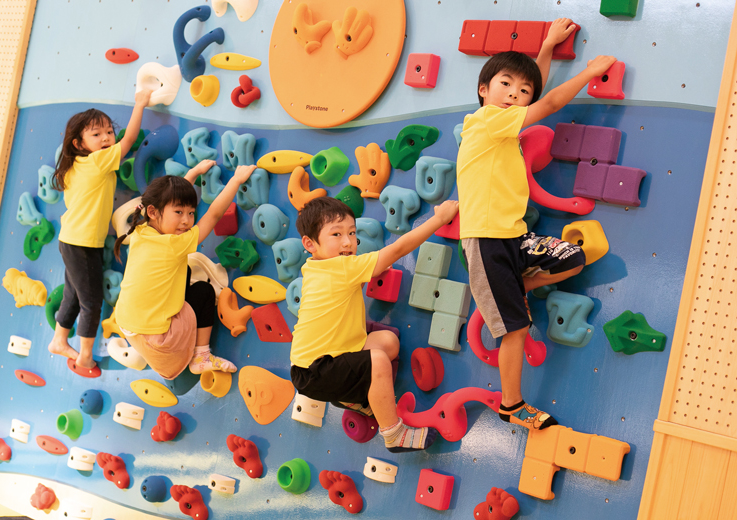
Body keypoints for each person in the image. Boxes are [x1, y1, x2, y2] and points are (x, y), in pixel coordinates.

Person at [456, 18, 617, 430]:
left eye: (522, 90)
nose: (515, 93)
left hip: (514, 236)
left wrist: (547, 47)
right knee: (516, 329)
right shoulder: (486, 121)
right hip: (486, 241)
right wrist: (589, 72)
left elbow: (536, 93)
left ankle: (520, 287)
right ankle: (512, 405)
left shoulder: (505, 126)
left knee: (573, 258)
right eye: (505, 84)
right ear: (483, 90)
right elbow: (546, 104)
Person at [290, 196, 459, 452]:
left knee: (387, 343)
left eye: (352, 232)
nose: (348, 242)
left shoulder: (316, 267)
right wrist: (439, 219)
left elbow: (350, 284)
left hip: (320, 361)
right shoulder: (342, 267)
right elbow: (397, 250)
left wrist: (373, 267)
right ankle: (394, 434)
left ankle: (354, 398)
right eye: (336, 234)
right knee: (378, 360)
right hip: (315, 371)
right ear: (309, 243)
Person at [113, 162, 257, 380]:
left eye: (191, 213)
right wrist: (236, 180)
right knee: (203, 292)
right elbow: (214, 215)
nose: (187, 221)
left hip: (127, 325)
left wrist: (193, 173)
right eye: (179, 212)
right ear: (153, 212)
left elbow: (168, 201)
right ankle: (201, 357)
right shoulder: (173, 243)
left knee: (183, 270)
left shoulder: (141, 230)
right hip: (161, 343)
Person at [47, 90, 152, 368]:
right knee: (91, 301)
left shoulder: (75, 166)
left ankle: (59, 340)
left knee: (73, 294)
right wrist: (140, 104)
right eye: (97, 134)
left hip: (73, 240)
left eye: (109, 132)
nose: (106, 138)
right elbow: (129, 140)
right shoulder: (97, 161)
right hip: (81, 243)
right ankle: (84, 354)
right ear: (79, 143)